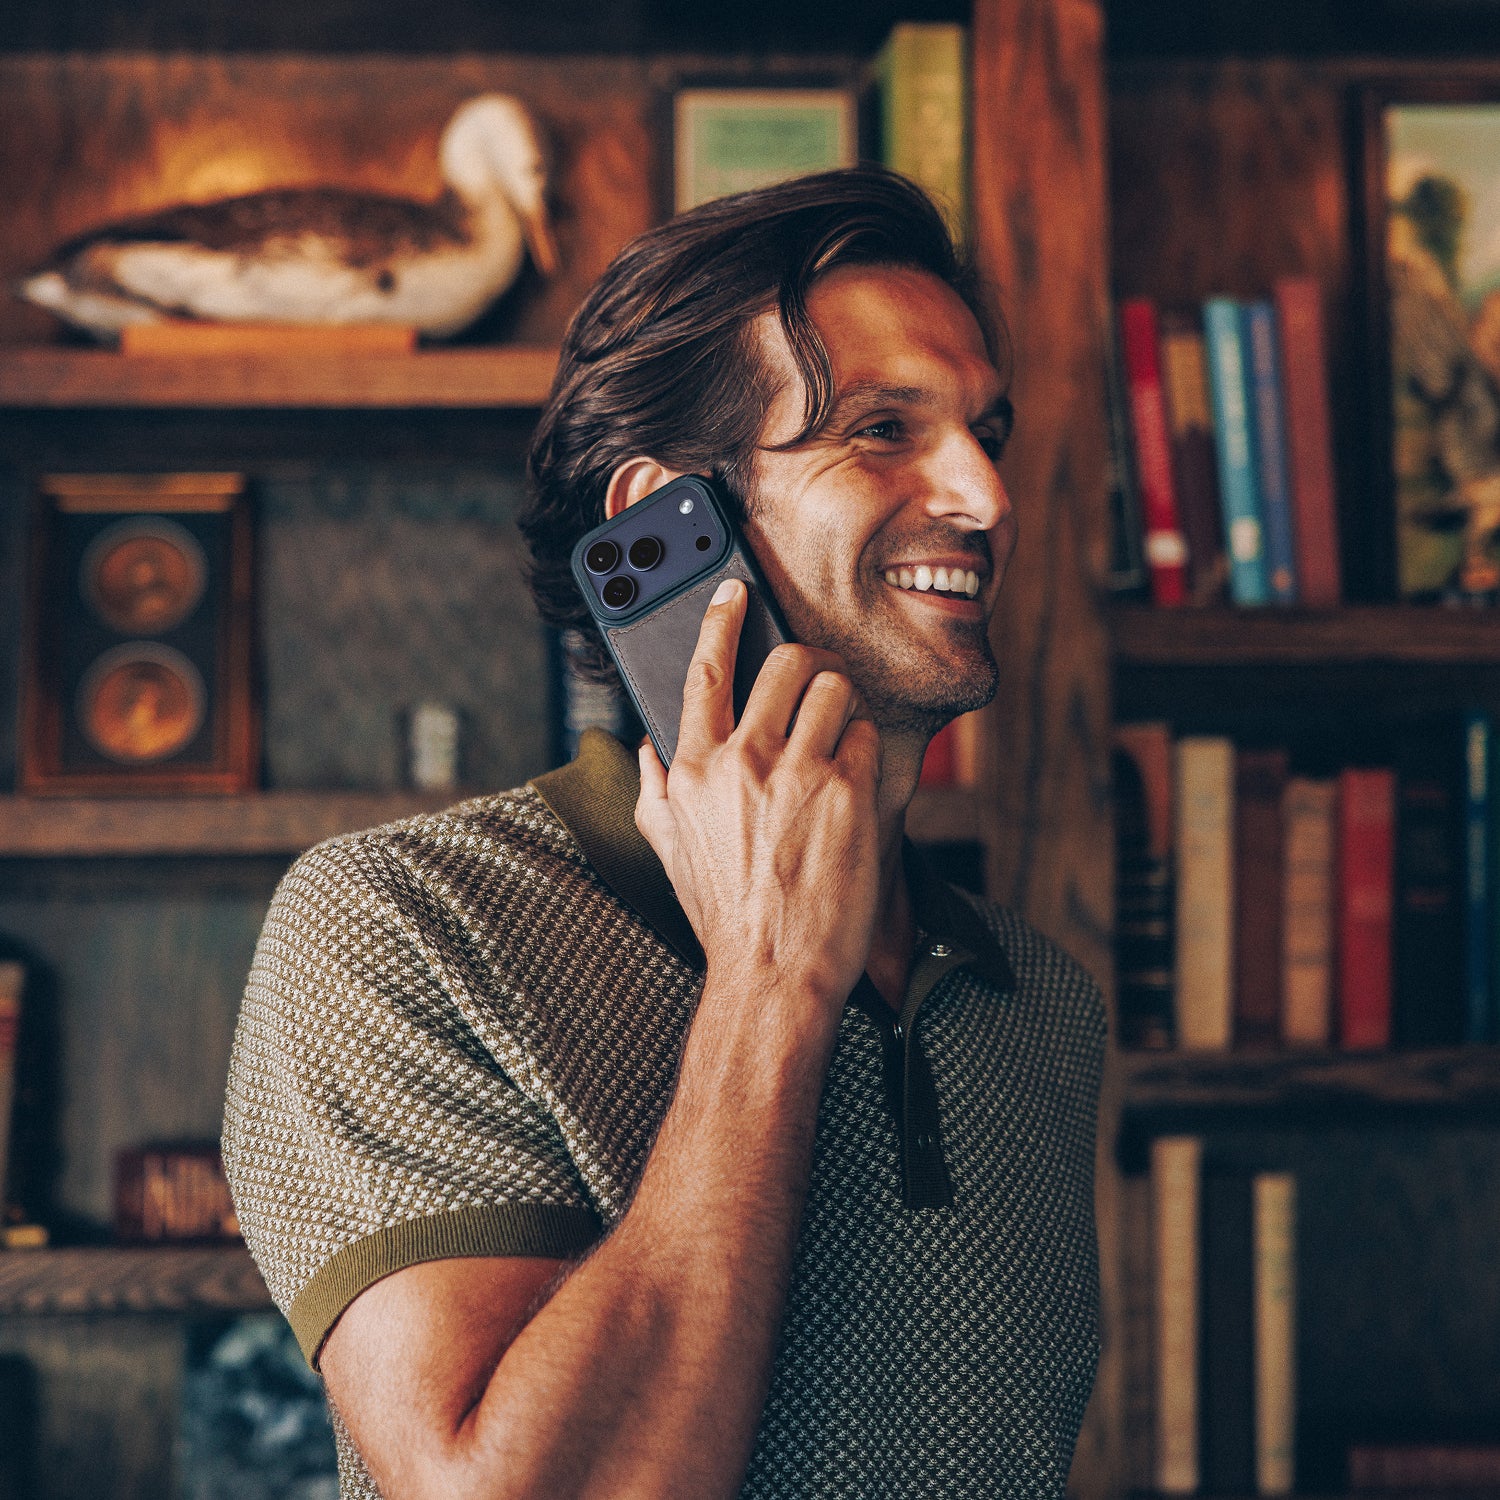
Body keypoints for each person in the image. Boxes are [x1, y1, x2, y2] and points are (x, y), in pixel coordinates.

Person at [223, 167, 1105, 1500]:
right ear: (665, 526)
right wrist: (771, 983)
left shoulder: (1040, 1000)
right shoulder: (399, 928)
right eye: (881, 429)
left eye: (987, 428)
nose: (985, 492)